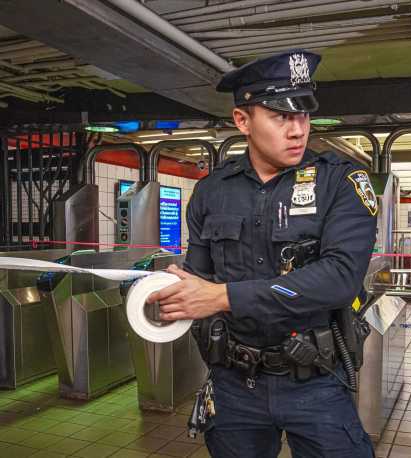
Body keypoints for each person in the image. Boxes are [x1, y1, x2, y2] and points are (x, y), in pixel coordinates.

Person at [146, 49, 377, 458]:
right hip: (236, 384)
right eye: (281, 116)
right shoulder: (211, 191)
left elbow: (341, 278)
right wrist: (169, 292)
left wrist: (223, 297)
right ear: (242, 121)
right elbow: (199, 278)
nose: (298, 130)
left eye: (303, 115)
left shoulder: (341, 182)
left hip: (316, 381)